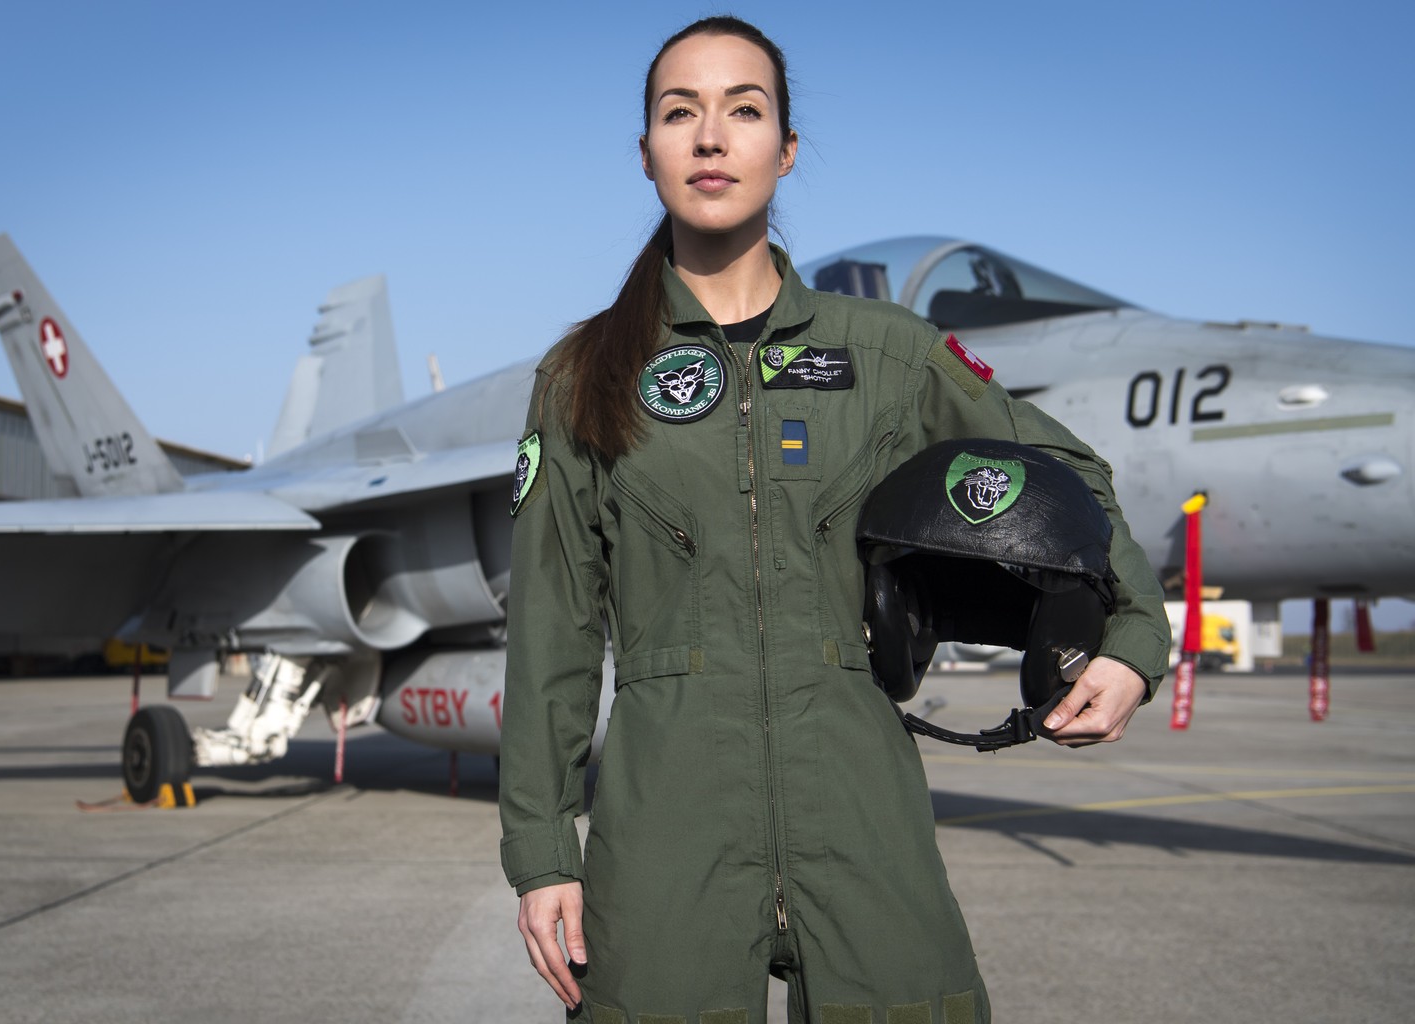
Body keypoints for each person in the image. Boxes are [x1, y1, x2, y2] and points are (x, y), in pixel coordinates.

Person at [498, 16, 1169, 1023]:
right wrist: (544, 851)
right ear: (647, 153)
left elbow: (1064, 471)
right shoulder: (586, 375)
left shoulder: (891, 356)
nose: (712, 137)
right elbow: (551, 623)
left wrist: (1130, 635)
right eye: (681, 113)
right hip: (667, 813)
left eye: (745, 109)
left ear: (787, 148)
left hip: (859, 796)